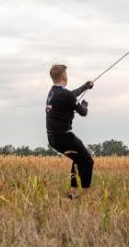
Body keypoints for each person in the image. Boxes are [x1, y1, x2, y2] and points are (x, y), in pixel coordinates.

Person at [45, 64, 95, 199]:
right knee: (88, 162)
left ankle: (73, 194)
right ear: (63, 77)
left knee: (78, 158)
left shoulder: (53, 92)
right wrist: (85, 104)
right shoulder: (65, 94)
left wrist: (85, 86)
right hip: (65, 137)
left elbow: (70, 95)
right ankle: (85, 197)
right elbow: (83, 112)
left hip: (53, 139)